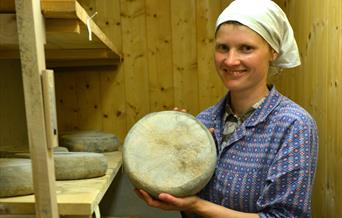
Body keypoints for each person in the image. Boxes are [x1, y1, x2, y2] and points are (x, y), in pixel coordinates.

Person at [135, 0, 319, 217]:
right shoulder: (204, 122)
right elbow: (181, 196)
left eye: (246, 48)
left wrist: (196, 206)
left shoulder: (293, 125)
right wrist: (173, 155)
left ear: (273, 52)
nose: (231, 61)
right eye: (223, 47)